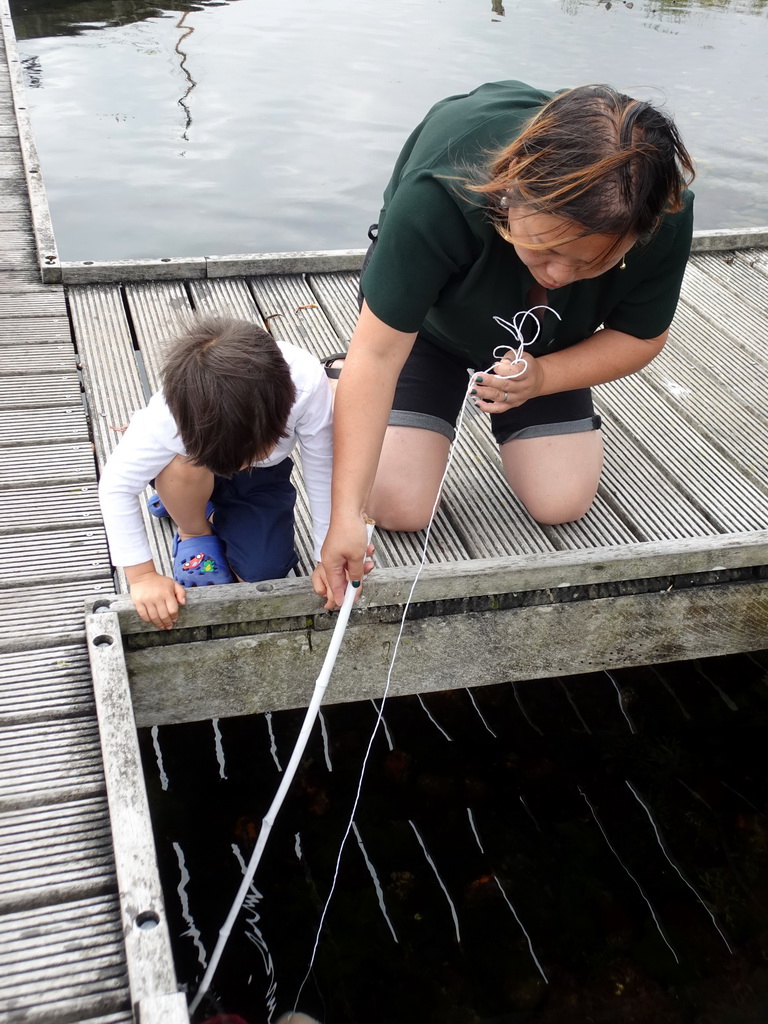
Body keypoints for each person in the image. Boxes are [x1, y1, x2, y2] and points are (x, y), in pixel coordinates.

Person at [314, 80, 695, 610]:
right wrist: (345, 519)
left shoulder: (661, 211)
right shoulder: (439, 193)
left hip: (547, 348)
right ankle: (340, 376)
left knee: (561, 500)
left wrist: (543, 377)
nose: (562, 274)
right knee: (398, 506)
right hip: (429, 330)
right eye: (545, 247)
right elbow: (379, 355)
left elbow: (641, 336)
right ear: (513, 189)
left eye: (593, 262)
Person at [99, 314, 334, 630]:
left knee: (262, 571)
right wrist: (142, 576)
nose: (235, 466)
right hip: (192, 465)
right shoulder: (167, 414)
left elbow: (323, 468)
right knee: (182, 467)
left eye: (245, 454)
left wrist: (325, 555)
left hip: (262, 475)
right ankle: (193, 528)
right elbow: (115, 486)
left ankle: (202, 505)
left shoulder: (307, 385)